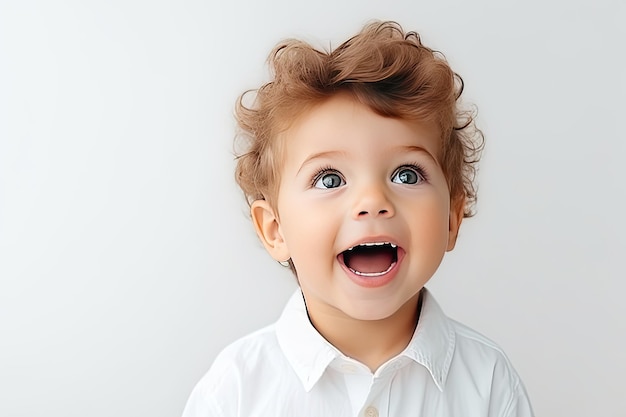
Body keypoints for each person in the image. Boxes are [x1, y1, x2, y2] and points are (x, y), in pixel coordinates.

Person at [182, 21, 534, 417]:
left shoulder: (487, 383)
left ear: (452, 218)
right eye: (330, 179)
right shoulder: (235, 392)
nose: (372, 201)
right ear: (275, 229)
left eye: (407, 174)